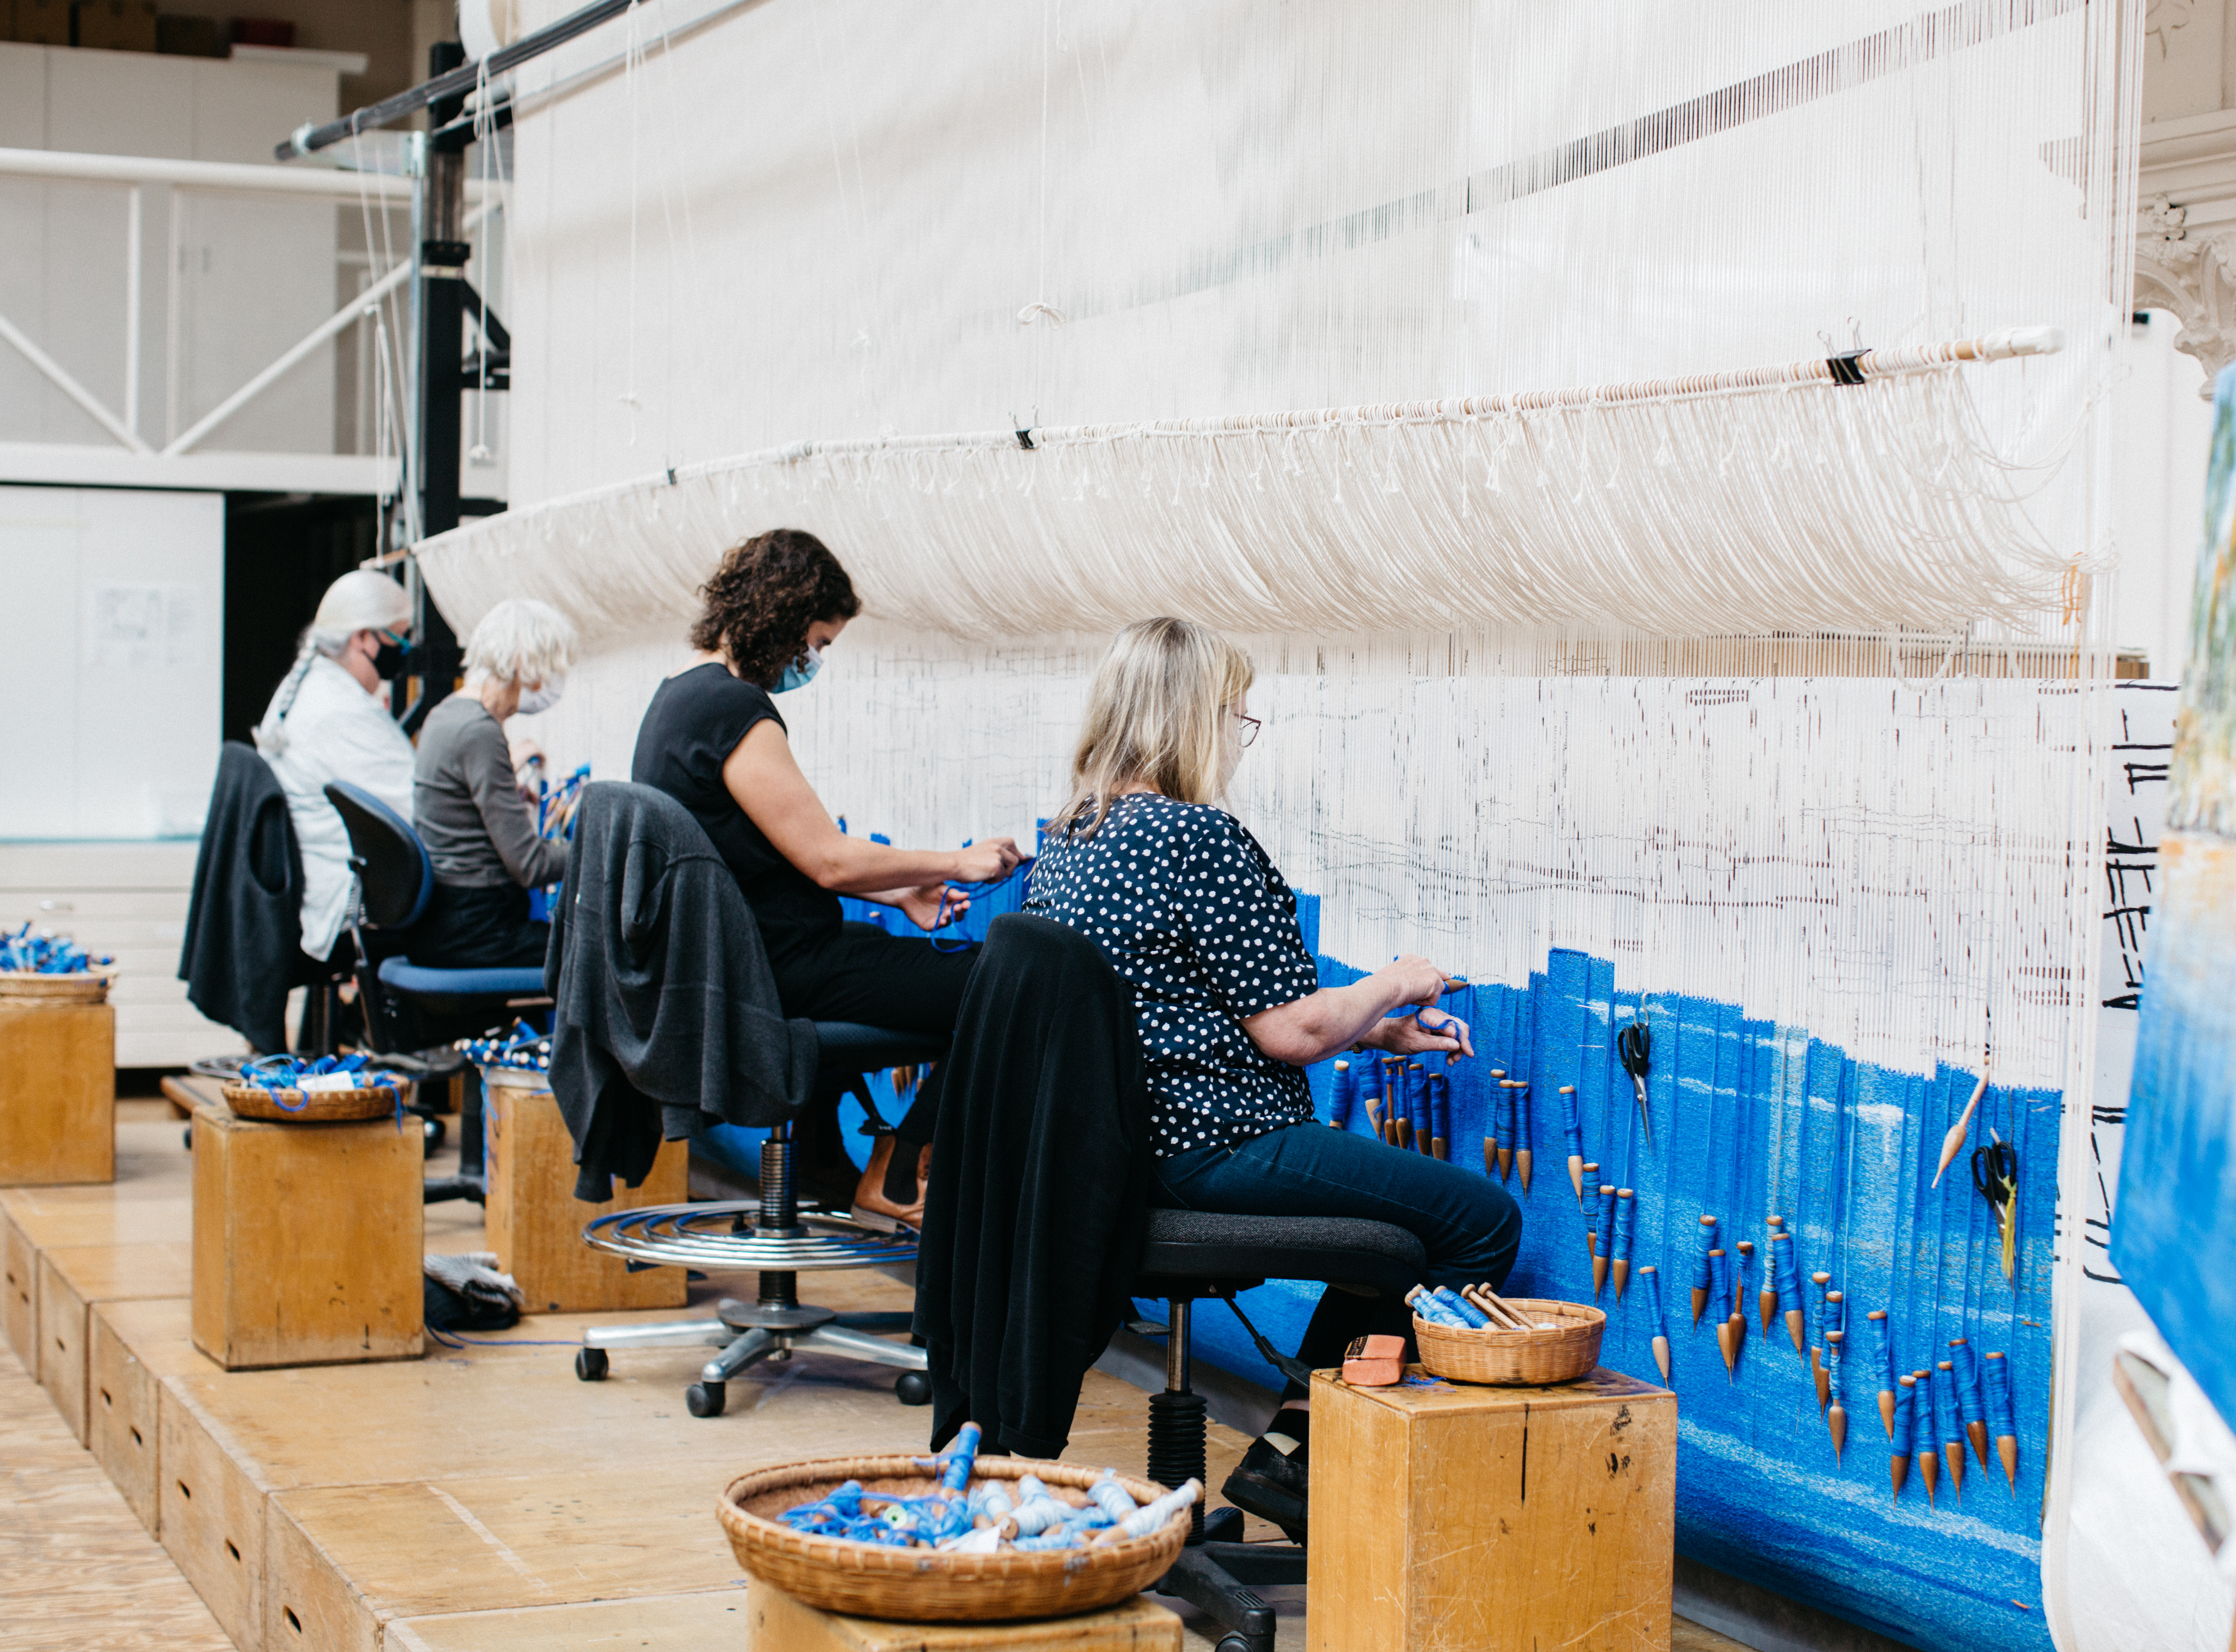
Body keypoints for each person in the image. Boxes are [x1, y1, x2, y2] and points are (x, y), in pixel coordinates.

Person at [1023, 616, 1520, 1541]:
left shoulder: (1070, 840)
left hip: (1120, 1156)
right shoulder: (1197, 838)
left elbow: (1187, 1009)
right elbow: (1289, 1031)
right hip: (1214, 1146)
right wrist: (1397, 980)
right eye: (1234, 716)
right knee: (1478, 1223)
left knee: (1393, 1242)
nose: (1236, 738)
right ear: (1190, 721)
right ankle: (1302, 1461)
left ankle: (1291, 1454)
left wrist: (1381, 1034)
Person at [631, 528, 1024, 1229]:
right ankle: (900, 1169)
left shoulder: (675, 701)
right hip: (776, 969)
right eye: (817, 641)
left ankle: (820, 1162)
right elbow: (826, 859)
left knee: (905, 963)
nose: (812, 660)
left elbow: (760, 853)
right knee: (1010, 983)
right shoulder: (732, 710)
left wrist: (896, 891)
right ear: (780, 618)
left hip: (734, 963)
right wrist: (952, 860)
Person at [253, 569, 417, 980]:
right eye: (399, 637)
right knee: (476, 923)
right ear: (362, 638)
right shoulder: (341, 712)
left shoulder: (304, 686)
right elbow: (421, 811)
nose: (405, 651)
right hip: (344, 908)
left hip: (309, 893)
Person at [406, 597, 579, 970]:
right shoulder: (480, 733)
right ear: (520, 664)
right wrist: (599, 845)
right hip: (478, 929)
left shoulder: (444, 714)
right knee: (599, 951)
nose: (551, 685)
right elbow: (530, 865)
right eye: (549, 671)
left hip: (442, 921)